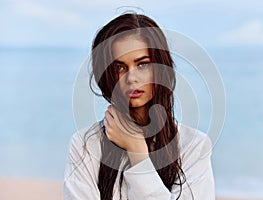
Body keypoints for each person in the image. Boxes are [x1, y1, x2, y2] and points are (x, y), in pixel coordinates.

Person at [64, 13, 215, 200]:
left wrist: (137, 152)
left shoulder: (194, 147)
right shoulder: (85, 145)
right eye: (119, 67)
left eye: (142, 64)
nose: (132, 78)